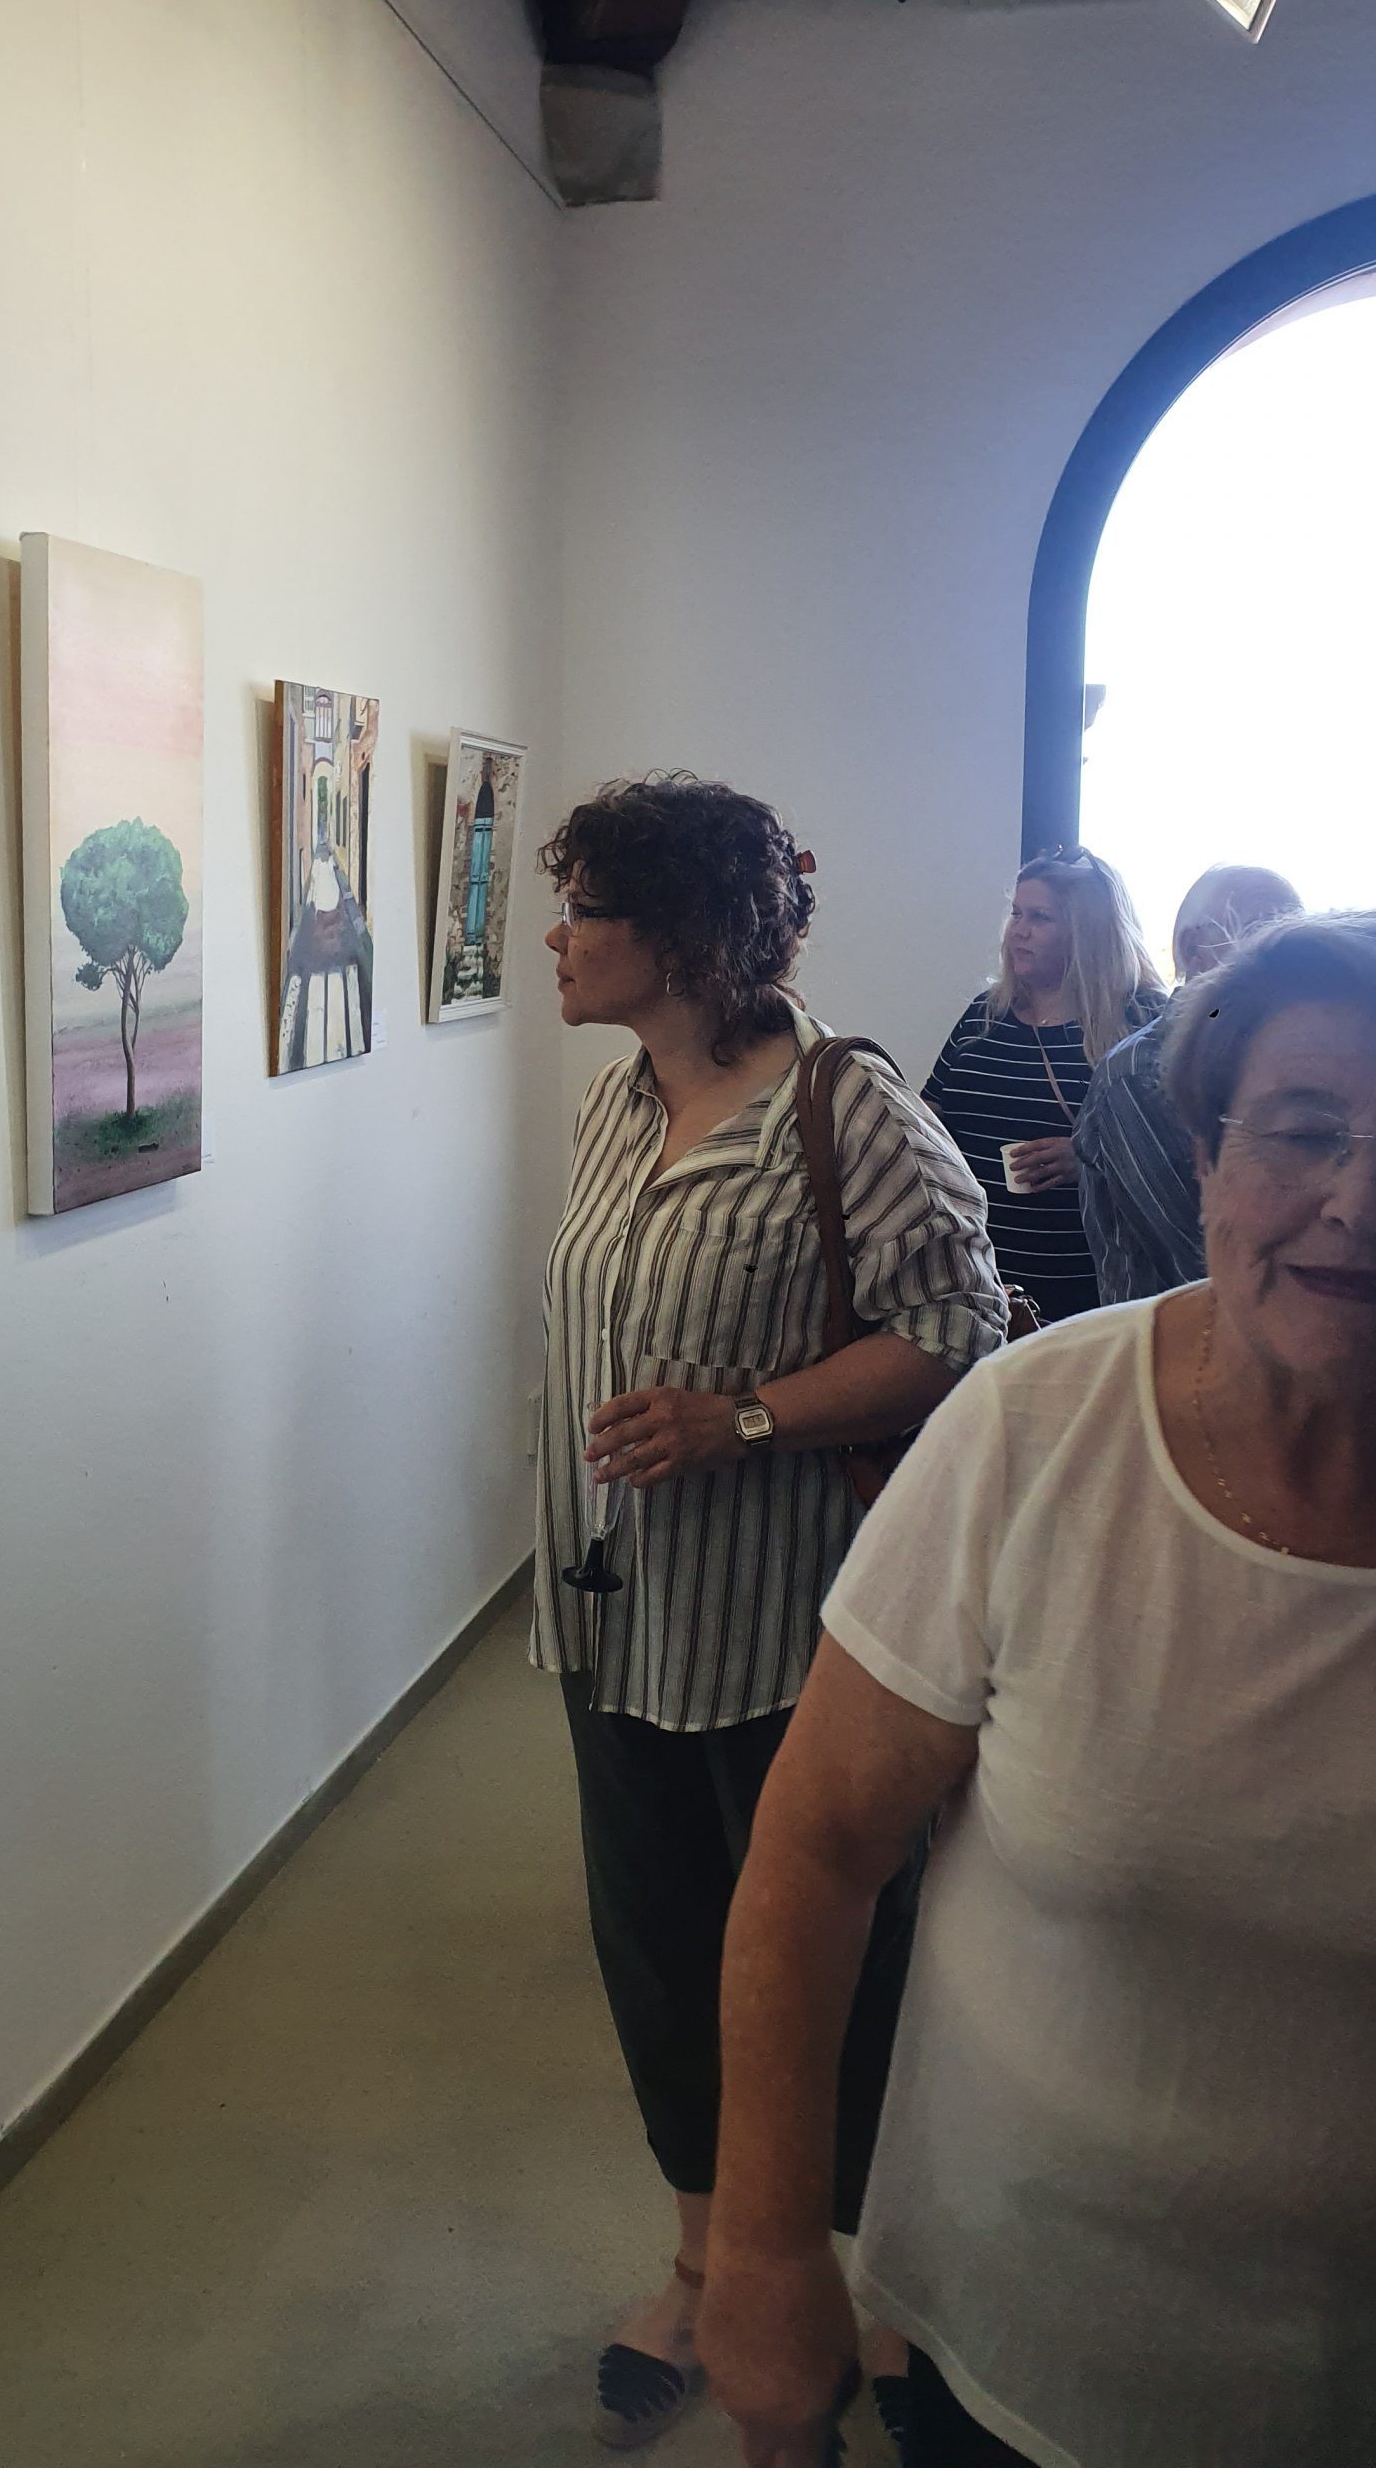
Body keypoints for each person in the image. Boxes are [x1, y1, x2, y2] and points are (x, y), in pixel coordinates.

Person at [698, 906, 1376, 2468]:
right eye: (1302, 1132)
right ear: (1203, 1160)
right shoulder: (1033, 1430)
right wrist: (765, 2245)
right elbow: (818, 1850)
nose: (1360, 1201)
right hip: (1049, 2354)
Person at [533, 776, 1007, 2449]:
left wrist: (739, 1419)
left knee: (829, 1975)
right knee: (661, 1962)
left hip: (787, 1639)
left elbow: (959, 1330)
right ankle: (700, 2265)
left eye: (584, 910)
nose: (555, 940)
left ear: (679, 934)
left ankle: (867, 2285)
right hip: (614, 1622)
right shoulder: (616, 1102)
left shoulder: (845, 1106)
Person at [924, 848, 1164, 1322]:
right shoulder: (984, 1015)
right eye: (1016, 913)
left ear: (1087, 931)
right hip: (975, 1287)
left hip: (1090, 1296)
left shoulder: (1142, 1022)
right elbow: (929, 1117)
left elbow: (1184, 1156)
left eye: (1041, 917)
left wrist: (1089, 1160)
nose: (1019, 930)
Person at [1075, 863, 1302, 1303]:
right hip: (1184, 1337)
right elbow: (1204, 1261)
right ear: (1194, 949)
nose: (1291, 965)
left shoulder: (1262, 1058)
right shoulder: (1141, 1072)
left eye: (1296, 940)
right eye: (1264, 933)